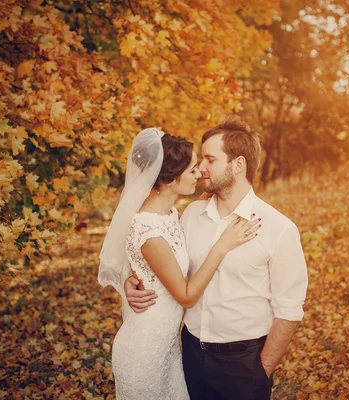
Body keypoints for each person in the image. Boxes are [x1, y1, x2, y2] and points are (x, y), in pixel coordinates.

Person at [124, 116, 309, 400]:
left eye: (210, 159)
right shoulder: (189, 216)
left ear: (238, 165)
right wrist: (133, 280)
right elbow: (164, 262)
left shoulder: (279, 229)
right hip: (191, 356)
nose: (200, 168)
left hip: (244, 362)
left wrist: (263, 368)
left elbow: (290, 310)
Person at [98, 127, 261, 400]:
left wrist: (132, 280)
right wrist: (222, 245)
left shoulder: (170, 213)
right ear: (171, 179)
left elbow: (150, 267)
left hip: (169, 347)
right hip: (144, 352)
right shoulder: (148, 229)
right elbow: (185, 296)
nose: (199, 173)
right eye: (193, 169)